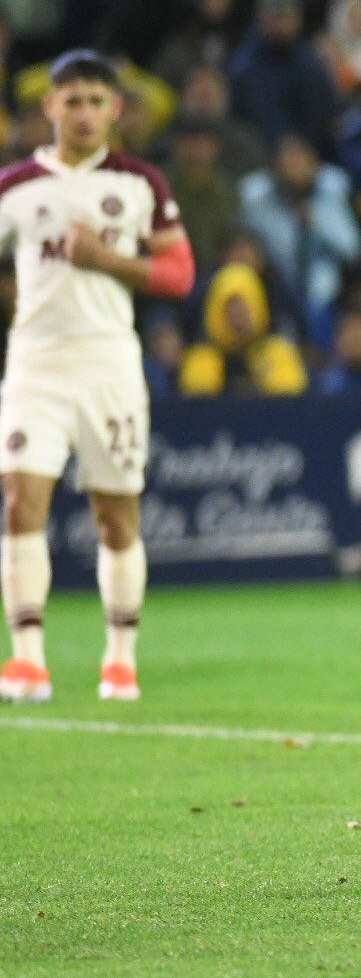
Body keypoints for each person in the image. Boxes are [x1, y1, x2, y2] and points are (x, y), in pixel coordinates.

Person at [0, 50, 196, 703]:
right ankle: (27, 658)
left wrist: (105, 258)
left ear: (114, 109)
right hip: (35, 361)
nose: (83, 113)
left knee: (115, 514)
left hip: (109, 360)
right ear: (49, 106)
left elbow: (179, 274)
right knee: (19, 501)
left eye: (95, 101)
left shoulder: (139, 184)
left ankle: (120, 659)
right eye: (71, 100)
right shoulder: (18, 186)